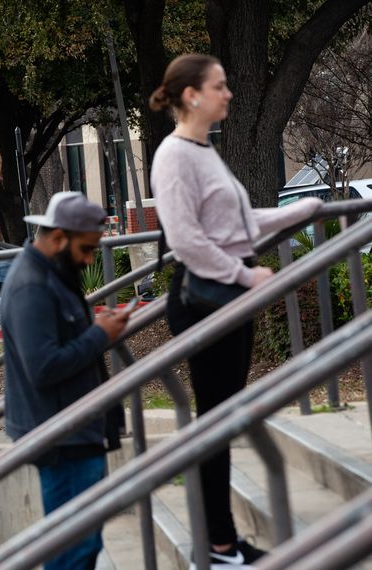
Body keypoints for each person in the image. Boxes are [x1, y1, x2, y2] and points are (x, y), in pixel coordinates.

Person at [149, 53, 324, 569]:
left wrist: (303, 209)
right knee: (215, 426)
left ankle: (222, 543)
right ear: (191, 95)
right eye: (220, 86)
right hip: (206, 299)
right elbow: (186, 240)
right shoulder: (175, 155)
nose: (229, 94)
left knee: (221, 423)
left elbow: (237, 223)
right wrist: (247, 275)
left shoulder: (204, 150)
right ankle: (219, 546)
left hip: (225, 294)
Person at [0, 192, 131, 570]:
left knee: (82, 548)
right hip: (62, 436)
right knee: (73, 552)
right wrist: (99, 336)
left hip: (74, 430)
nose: (90, 259)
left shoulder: (51, 274)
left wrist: (99, 333)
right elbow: (42, 367)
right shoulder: (32, 286)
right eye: (86, 249)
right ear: (58, 237)